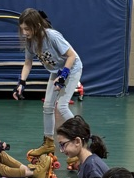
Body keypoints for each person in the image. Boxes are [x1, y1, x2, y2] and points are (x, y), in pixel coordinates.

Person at [13, 9, 83, 163]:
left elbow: (71, 56)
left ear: (37, 26)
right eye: (22, 29)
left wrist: (63, 76)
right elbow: (28, 63)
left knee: (62, 106)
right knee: (47, 106)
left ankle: (81, 140)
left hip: (71, 69)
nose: (24, 32)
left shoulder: (52, 36)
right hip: (56, 71)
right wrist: (21, 83)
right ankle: (49, 143)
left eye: (27, 29)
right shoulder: (30, 41)